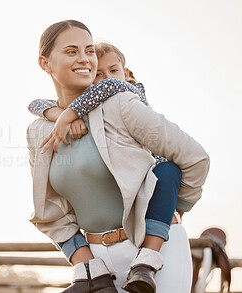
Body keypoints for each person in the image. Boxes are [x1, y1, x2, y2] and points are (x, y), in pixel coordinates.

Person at [26, 20, 210, 293]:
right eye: (71, 51)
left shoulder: (121, 104)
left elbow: (195, 159)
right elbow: (51, 212)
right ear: (45, 63)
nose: (84, 59)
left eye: (89, 50)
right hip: (95, 262)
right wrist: (85, 261)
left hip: (156, 253)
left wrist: (173, 211)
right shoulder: (38, 131)